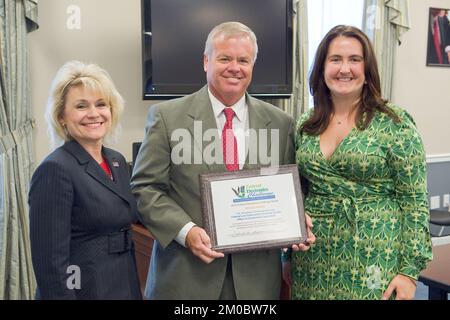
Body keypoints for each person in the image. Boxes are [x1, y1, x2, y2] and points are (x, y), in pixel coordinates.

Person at [130, 21, 315, 300]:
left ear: (252, 65)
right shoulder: (167, 117)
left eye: (243, 60)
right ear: (206, 61)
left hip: (255, 283)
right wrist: (187, 232)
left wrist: (296, 219)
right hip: (185, 279)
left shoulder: (281, 123)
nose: (235, 67)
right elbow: (145, 189)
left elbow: (289, 190)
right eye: (225, 58)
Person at [283, 25, 433, 300]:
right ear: (322, 68)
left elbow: (414, 202)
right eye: (335, 59)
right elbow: (298, 192)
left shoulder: (394, 123)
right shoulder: (305, 124)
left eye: (354, 59)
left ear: (367, 70)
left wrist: (409, 272)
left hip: (374, 256)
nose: (344, 68)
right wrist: (287, 256)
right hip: (312, 259)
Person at [29, 61, 142, 300]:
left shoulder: (117, 161)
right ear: (61, 116)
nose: (94, 114)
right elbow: (51, 267)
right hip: (85, 291)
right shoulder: (54, 169)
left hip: (124, 286)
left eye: (101, 104)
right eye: (81, 106)